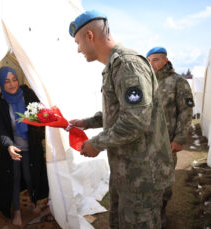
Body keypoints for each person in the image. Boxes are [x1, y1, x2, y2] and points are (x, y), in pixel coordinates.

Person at [68, 10, 174, 229]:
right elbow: (119, 112)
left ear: (90, 35)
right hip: (126, 171)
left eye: (78, 42)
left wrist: (96, 143)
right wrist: (86, 122)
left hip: (142, 174)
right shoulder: (114, 67)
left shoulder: (127, 65)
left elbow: (135, 121)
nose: (78, 49)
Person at [0, 66, 49, 226]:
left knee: (31, 177)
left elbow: (40, 114)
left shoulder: (28, 94)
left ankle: (34, 202)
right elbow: (0, 129)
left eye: (14, 79)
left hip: (31, 146)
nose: (12, 84)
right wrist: (8, 146)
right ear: (1, 83)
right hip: (14, 150)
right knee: (14, 179)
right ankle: (16, 212)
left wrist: (41, 119)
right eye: (7, 81)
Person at [147, 47, 194, 227]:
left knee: (164, 179)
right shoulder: (147, 82)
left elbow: (186, 112)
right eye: (149, 60)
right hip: (147, 142)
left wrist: (180, 139)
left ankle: (161, 210)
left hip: (167, 142)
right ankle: (150, 210)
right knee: (147, 178)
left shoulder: (178, 82)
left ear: (166, 61)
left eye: (156, 60)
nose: (152, 63)